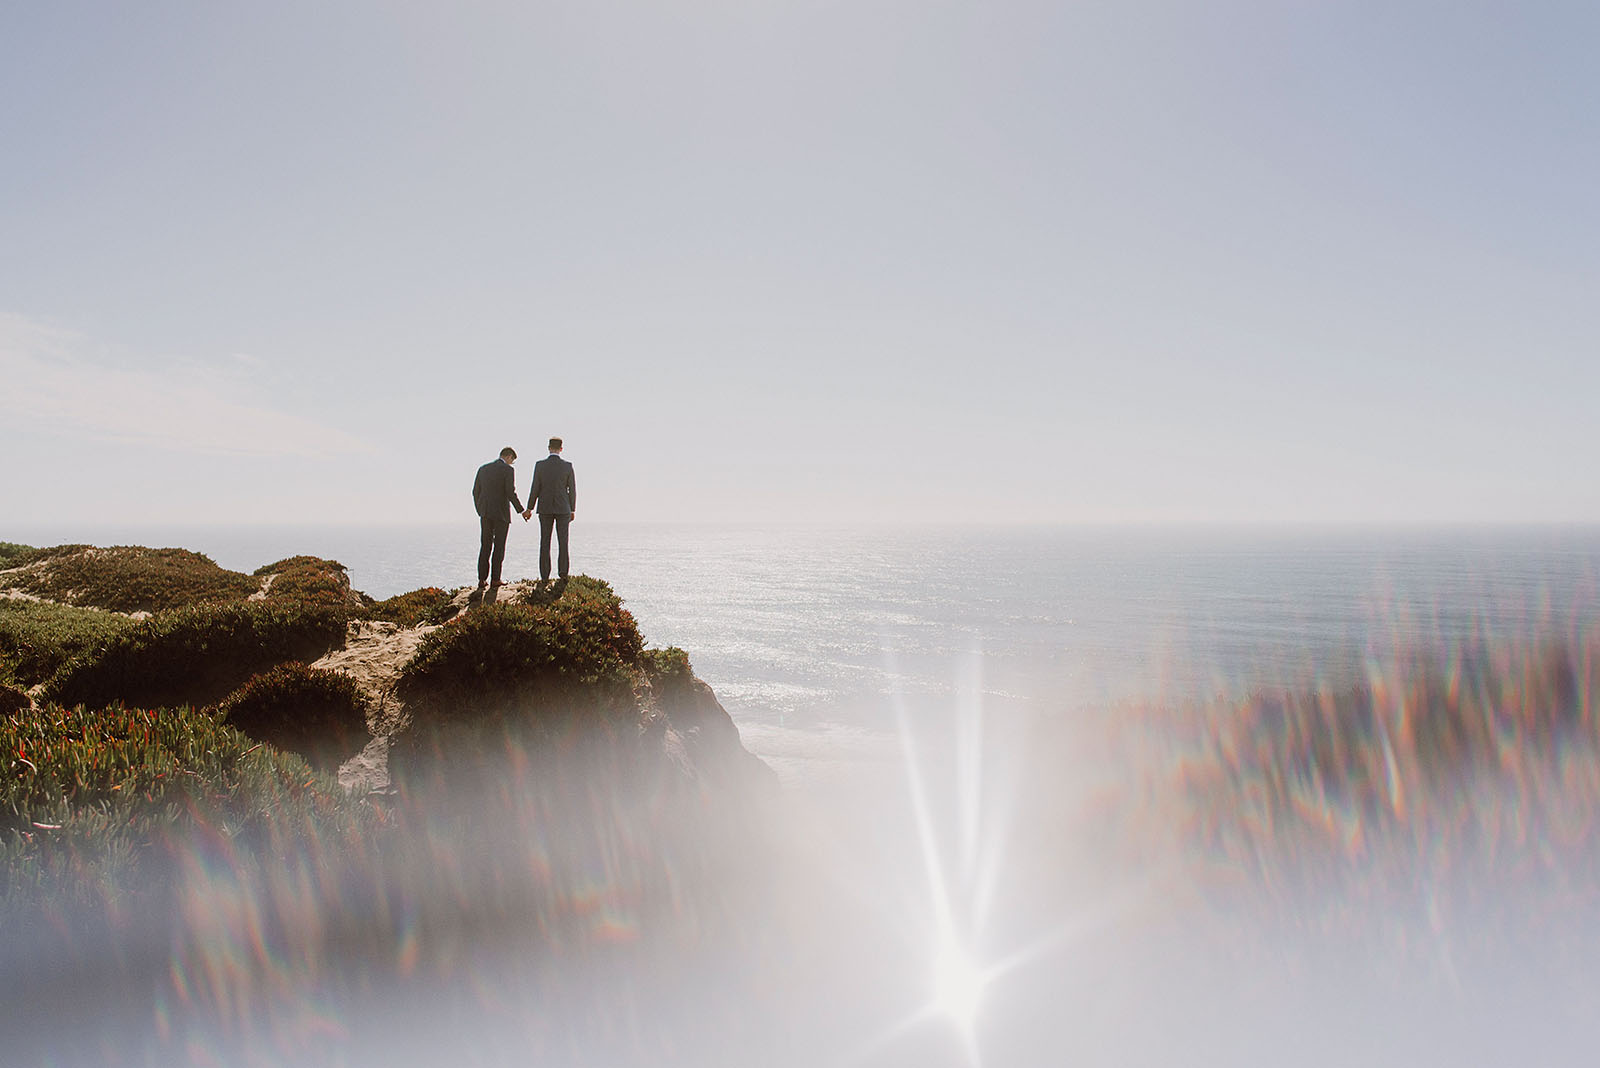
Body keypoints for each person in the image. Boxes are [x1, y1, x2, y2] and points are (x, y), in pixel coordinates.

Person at [472, 446, 527, 589]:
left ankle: (481, 579)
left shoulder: (483, 469)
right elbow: (510, 492)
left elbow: (475, 491)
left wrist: (480, 510)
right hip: (501, 514)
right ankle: (495, 579)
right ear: (509, 457)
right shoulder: (508, 470)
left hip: (485, 513)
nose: (511, 464)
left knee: (485, 546)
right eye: (512, 461)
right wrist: (521, 511)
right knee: (499, 546)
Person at [523, 437, 576, 581]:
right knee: (563, 542)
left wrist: (529, 508)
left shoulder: (540, 465)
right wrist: (572, 509)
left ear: (548, 448)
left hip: (545, 508)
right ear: (561, 448)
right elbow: (572, 489)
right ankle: (563, 573)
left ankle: (544, 575)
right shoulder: (567, 466)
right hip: (563, 508)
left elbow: (535, 488)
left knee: (545, 541)